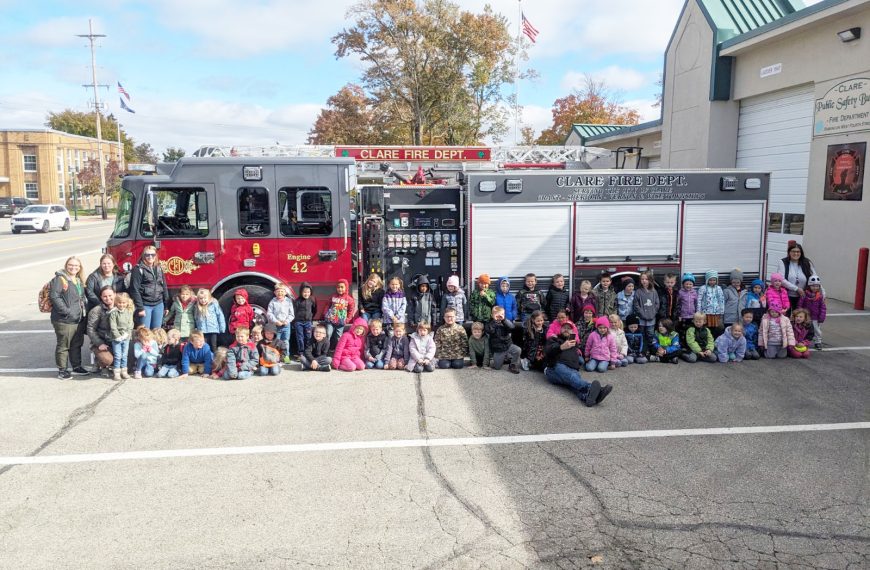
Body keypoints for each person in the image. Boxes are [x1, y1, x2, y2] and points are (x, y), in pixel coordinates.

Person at [544, 323, 611, 407]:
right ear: (560, 329)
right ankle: (592, 388)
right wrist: (561, 347)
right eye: (564, 328)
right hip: (554, 368)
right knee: (572, 377)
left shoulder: (574, 344)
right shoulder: (554, 339)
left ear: (572, 331)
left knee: (574, 384)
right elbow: (548, 351)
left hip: (571, 370)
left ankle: (587, 397)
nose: (566, 329)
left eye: (569, 328)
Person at [49, 256, 89, 379]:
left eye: (76, 266)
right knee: (63, 345)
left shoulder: (77, 280)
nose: (73, 267)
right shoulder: (60, 279)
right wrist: (66, 311)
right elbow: (54, 297)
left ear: (80, 267)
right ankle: (62, 370)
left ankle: (76, 366)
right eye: (71, 265)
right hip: (64, 319)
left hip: (78, 318)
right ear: (66, 265)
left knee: (76, 344)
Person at [128, 246, 170, 329]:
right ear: (143, 255)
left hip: (159, 304)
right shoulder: (138, 269)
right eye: (147, 255)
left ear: (156, 256)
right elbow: (134, 290)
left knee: (156, 331)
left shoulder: (159, 267)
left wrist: (166, 305)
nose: (150, 257)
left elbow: (164, 287)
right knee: (145, 332)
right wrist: (140, 308)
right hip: (145, 305)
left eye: (152, 254)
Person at [777, 243, 819, 311]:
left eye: (798, 251)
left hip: (803, 296)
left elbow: (815, 278)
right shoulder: (783, 262)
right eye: (793, 251)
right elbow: (781, 279)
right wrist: (796, 289)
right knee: (785, 318)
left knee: (800, 317)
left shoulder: (807, 262)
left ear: (801, 253)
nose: (796, 253)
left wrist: (822, 292)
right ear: (789, 252)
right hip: (786, 296)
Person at [87, 286, 117, 377]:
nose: (108, 298)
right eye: (105, 296)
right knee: (107, 359)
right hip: (102, 342)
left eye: (110, 295)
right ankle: (102, 365)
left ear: (115, 294)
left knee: (129, 363)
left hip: (116, 341)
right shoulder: (96, 310)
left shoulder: (121, 306)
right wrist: (99, 343)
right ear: (101, 297)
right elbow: (90, 329)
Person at [485, 305, 521, 373]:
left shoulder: (505, 322)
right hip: (498, 349)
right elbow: (490, 331)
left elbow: (512, 328)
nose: (499, 316)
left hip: (508, 345)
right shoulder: (489, 323)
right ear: (492, 315)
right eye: (497, 314)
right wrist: (495, 322)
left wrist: (504, 320)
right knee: (497, 367)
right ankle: (505, 358)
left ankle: (513, 365)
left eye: (502, 314)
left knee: (518, 350)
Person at [108, 292, 135, 381]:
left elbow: (130, 324)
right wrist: (117, 336)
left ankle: (124, 371)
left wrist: (127, 333)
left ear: (127, 303)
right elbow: (113, 326)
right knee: (118, 355)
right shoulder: (114, 313)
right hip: (116, 338)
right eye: (120, 303)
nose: (122, 305)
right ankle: (116, 372)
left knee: (124, 355)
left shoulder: (129, 312)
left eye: (124, 303)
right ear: (116, 302)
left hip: (126, 337)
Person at [325, 279, 356, 347]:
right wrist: (325, 313)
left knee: (339, 337)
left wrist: (347, 319)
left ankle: (338, 350)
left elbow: (351, 310)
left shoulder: (349, 299)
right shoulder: (333, 296)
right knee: (328, 333)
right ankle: (326, 350)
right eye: (338, 287)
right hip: (331, 320)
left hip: (341, 321)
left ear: (346, 288)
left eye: (342, 287)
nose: (340, 289)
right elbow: (328, 305)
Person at [266, 282, 294, 360]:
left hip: (286, 325)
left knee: (285, 341)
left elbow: (291, 314)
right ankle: (276, 356)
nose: (280, 293)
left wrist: (286, 321)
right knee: (276, 341)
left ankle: (286, 356)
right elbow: (269, 313)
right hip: (276, 325)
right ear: (275, 292)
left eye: (282, 291)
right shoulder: (273, 301)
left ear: (285, 292)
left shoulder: (288, 301)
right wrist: (275, 321)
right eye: (278, 291)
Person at [798, 275, 827, 349]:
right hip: (806, 316)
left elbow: (823, 307)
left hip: (815, 317)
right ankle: (804, 341)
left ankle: (818, 342)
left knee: (817, 330)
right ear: (809, 286)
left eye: (817, 286)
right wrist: (799, 313)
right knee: (804, 329)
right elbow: (800, 304)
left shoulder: (820, 297)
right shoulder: (804, 295)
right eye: (813, 286)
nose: (815, 288)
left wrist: (821, 317)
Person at [633, 271, 660, 349]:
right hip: (641, 318)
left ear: (650, 280)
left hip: (651, 318)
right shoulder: (638, 292)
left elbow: (657, 304)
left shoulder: (654, 291)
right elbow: (636, 305)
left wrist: (653, 314)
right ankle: (642, 348)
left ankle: (650, 349)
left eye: (646, 279)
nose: (644, 281)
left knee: (650, 334)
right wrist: (642, 314)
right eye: (642, 279)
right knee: (641, 334)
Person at [194, 288, 226, 353]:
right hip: (202, 330)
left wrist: (222, 327)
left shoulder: (214, 304)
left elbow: (220, 316)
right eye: (201, 298)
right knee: (204, 346)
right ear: (198, 299)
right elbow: (196, 318)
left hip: (213, 329)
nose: (203, 300)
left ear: (209, 297)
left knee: (213, 345)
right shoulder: (197, 307)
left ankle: (214, 359)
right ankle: (206, 359)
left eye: (205, 298)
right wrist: (196, 328)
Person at [697, 270, 725, 337]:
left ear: (716, 280)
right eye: (710, 280)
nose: (712, 282)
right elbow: (699, 300)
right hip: (706, 312)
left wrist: (722, 310)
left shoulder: (718, 288)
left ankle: (714, 340)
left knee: (716, 327)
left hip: (716, 312)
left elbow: (721, 299)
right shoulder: (703, 288)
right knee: (706, 327)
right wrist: (698, 311)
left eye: (714, 280)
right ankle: (706, 339)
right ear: (707, 280)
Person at [293, 282, 317, 357]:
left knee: (308, 337)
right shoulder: (297, 301)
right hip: (298, 322)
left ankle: (308, 351)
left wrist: (311, 318)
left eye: (308, 292)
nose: (306, 294)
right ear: (301, 292)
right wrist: (295, 321)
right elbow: (294, 311)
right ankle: (301, 352)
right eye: (304, 292)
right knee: (300, 337)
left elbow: (314, 309)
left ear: (310, 292)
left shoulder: (312, 300)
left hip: (308, 322)